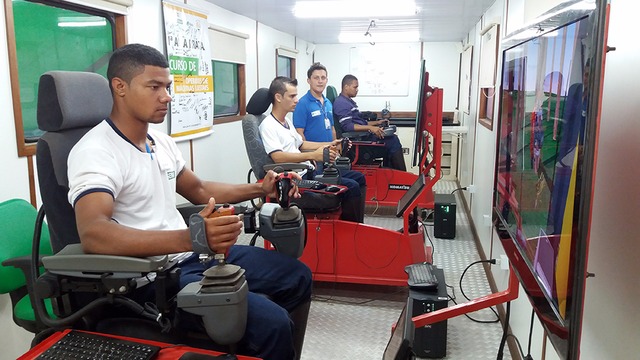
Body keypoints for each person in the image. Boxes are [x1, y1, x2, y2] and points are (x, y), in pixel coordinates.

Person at [67, 43, 311, 360]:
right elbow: (94, 233)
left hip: (189, 259)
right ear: (120, 87)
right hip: (147, 284)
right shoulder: (96, 151)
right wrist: (192, 237)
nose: (166, 96)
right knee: (273, 325)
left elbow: (199, 189)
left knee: (297, 277)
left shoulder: (160, 141)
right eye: (154, 87)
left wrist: (261, 188)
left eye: (167, 87)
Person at [259, 76, 366, 223]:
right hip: (295, 182)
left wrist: (330, 144)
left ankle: (356, 225)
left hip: (307, 173)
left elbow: (301, 145)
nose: (296, 100)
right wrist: (314, 156)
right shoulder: (268, 125)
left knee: (358, 178)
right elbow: (277, 157)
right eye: (292, 96)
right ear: (278, 97)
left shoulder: (286, 121)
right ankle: (351, 231)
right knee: (351, 187)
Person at [333, 74, 407, 171]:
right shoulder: (341, 103)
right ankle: (402, 176)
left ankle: (395, 176)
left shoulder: (349, 102)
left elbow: (361, 123)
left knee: (391, 138)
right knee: (393, 141)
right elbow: (348, 126)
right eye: (355, 87)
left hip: (364, 136)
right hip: (359, 142)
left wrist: (377, 123)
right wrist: (371, 128)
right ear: (346, 87)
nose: (357, 89)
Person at [292, 62, 336, 142]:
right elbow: (299, 132)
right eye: (316, 78)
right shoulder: (302, 103)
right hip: (312, 153)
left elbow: (332, 128)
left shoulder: (328, 103)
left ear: (326, 80)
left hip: (329, 152)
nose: (320, 81)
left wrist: (335, 148)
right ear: (309, 81)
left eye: (323, 78)